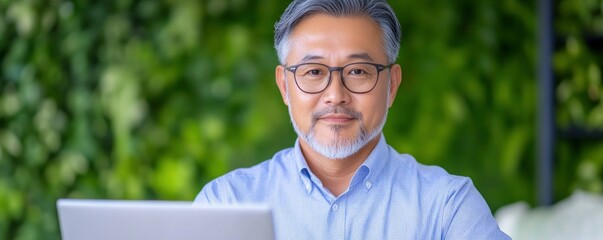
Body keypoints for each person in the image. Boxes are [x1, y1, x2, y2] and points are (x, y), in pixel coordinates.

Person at [194, 0, 510, 239]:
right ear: (284, 86)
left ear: (392, 85)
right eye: (314, 72)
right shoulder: (225, 204)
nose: (336, 94)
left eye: (358, 71)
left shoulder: (447, 208)